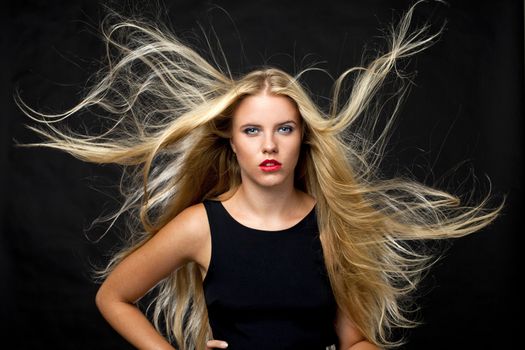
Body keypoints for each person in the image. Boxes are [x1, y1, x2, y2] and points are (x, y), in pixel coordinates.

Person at [15, 1, 503, 349]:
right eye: (252, 130)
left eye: (284, 129)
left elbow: (352, 339)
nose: (269, 144)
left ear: (303, 138)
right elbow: (113, 296)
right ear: (232, 140)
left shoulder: (332, 227)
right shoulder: (200, 227)